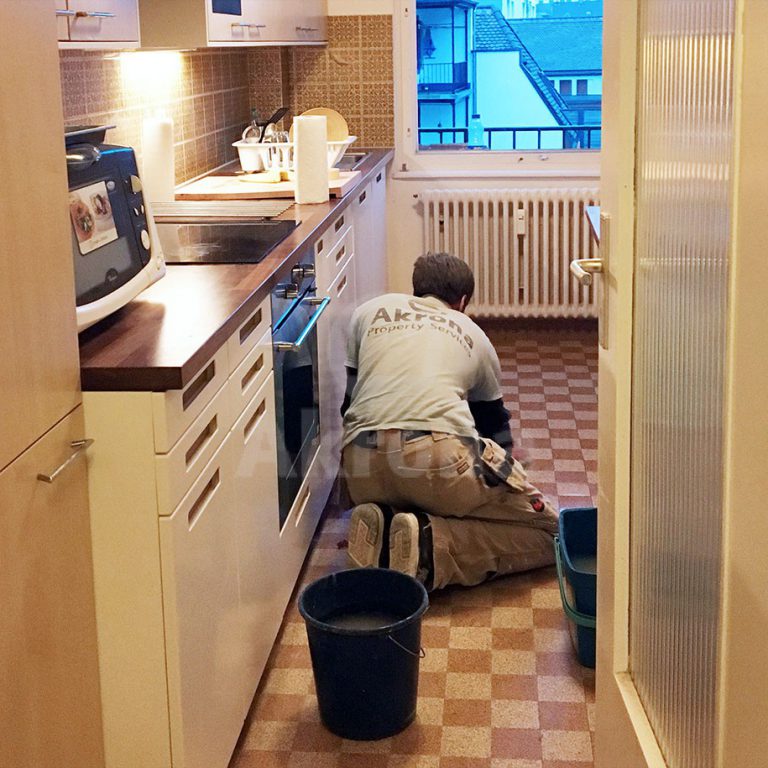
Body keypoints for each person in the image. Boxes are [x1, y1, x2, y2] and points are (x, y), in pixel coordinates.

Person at [340, 252, 560, 591]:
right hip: (434, 465)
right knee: (552, 532)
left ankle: (384, 524)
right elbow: (494, 426)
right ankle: (430, 547)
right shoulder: (474, 334)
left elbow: (349, 403)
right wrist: (508, 476)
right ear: (463, 301)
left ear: (416, 289)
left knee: (413, 483)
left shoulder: (368, 312)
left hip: (360, 469)